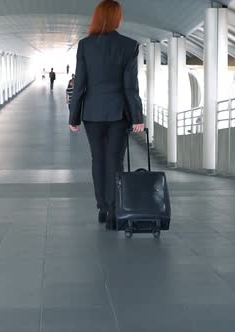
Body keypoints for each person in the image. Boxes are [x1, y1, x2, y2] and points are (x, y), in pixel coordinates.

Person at [69, 0, 144, 230]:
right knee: (115, 161)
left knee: (98, 159)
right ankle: (114, 210)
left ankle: (102, 206)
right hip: (118, 113)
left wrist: (74, 117)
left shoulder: (85, 45)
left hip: (92, 112)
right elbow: (130, 86)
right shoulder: (129, 46)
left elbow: (80, 84)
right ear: (117, 19)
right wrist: (137, 116)